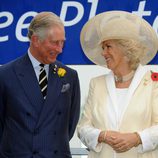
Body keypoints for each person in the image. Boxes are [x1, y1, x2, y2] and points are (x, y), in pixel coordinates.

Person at [77, 11, 158, 158]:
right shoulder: (97, 84)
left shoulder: (154, 83)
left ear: (126, 48)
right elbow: (82, 128)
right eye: (103, 48)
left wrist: (137, 138)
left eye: (108, 46)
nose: (104, 53)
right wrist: (102, 135)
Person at [0, 12, 80, 158]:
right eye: (55, 42)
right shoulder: (5, 75)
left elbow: (70, 124)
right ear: (36, 40)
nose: (60, 49)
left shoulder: (69, 76)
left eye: (62, 42)